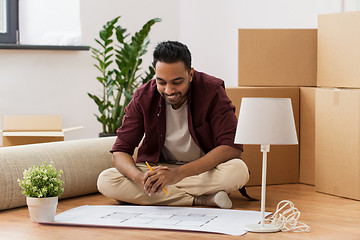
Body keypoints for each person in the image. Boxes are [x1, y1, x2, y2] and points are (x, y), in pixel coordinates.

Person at [97, 41, 249, 209]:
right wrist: (139, 179)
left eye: (177, 82)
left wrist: (178, 174)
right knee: (107, 180)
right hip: (159, 168)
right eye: (161, 82)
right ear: (155, 74)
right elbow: (119, 152)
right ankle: (203, 199)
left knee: (238, 170)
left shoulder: (212, 90)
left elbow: (231, 147)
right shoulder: (143, 96)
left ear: (190, 74)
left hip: (202, 169)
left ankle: (153, 196)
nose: (169, 90)